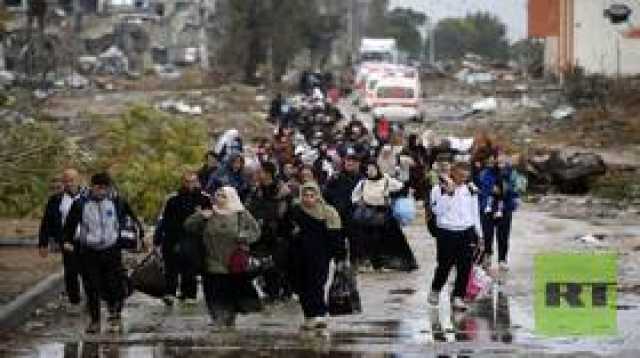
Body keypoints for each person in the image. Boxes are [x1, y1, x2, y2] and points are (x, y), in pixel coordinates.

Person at [184, 186, 261, 329]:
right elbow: (188, 226)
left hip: (234, 260)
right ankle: (217, 317)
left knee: (230, 290)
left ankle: (229, 317)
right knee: (214, 290)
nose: (218, 198)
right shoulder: (209, 213)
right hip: (212, 258)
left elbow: (255, 231)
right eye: (217, 195)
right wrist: (201, 216)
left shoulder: (241, 214)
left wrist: (244, 237)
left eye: (223, 196)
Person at [62, 173, 128, 333]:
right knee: (92, 286)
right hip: (89, 251)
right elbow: (69, 226)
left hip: (111, 250)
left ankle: (114, 312)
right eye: (99, 188)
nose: (102, 192)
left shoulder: (114, 201)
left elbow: (123, 219)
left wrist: (122, 238)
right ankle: (95, 321)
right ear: (93, 186)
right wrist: (68, 242)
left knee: (113, 284)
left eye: (105, 188)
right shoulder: (80, 204)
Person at [283, 182, 346, 330]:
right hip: (298, 256)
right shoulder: (295, 211)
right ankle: (309, 316)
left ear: (318, 196)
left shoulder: (328, 212)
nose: (308, 199)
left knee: (317, 284)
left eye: (312, 196)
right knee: (301, 286)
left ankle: (319, 314)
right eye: (305, 195)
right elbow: (285, 230)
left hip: (320, 256)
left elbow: (336, 236)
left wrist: (339, 255)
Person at [428, 162, 483, 311]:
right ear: (453, 173)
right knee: (444, 265)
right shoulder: (438, 189)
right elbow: (437, 211)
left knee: (465, 266)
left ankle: (458, 297)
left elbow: (475, 212)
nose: (463, 179)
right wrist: (449, 194)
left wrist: (480, 234)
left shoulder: (471, 189)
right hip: (446, 232)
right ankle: (436, 289)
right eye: (460, 175)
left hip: (466, 232)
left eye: (466, 176)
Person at [156, 171, 212, 306]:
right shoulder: (173, 199)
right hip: (173, 238)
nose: (190, 184)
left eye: (193, 181)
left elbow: (209, 219)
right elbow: (165, 220)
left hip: (194, 239)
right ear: (182, 182)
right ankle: (170, 293)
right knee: (171, 268)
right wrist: (158, 239)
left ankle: (189, 294)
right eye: (187, 181)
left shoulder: (204, 199)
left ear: (197, 182)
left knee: (190, 269)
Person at [351, 162, 418, 272]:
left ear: (378, 169)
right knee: (368, 241)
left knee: (390, 240)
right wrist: (360, 203)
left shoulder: (387, 180)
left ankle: (393, 264)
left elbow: (402, 188)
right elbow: (354, 197)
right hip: (367, 216)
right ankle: (371, 264)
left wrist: (394, 197)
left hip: (384, 215)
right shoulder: (363, 183)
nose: (371, 171)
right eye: (368, 169)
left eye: (373, 169)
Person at [38, 169, 86, 310]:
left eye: (71, 180)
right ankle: (74, 301)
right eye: (65, 181)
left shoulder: (88, 197)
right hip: (67, 242)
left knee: (89, 272)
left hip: (87, 241)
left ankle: (92, 300)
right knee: (70, 272)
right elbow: (46, 222)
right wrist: (43, 243)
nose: (68, 183)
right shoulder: (56, 200)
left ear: (78, 180)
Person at [245, 162, 292, 301]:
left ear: (268, 173)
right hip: (260, 234)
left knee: (279, 265)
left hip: (279, 234)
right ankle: (270, 292)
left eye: (260, 172)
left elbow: (285, 214)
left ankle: (283, 291)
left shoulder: (282, 191)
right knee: (264, 265)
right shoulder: (255, 191)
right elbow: (249, 209)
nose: (257, 175)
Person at [477, 153, 520, 272]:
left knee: (503, 235)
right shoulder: (486, 172)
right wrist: (493, 189)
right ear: (494, 160)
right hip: (488, 208)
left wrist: (506, 190)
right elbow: (484, 187)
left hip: (505, 208)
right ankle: (487, 257)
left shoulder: (512, 173)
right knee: (487, 234)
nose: (501, 162)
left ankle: (502, 260)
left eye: (504, 160)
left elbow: (516, 189)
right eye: (498, 160)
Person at [324, 154, 363, 266]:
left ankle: (355, 264)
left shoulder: (362, 179)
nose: (350, 164)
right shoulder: (336, 178)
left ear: (358, 164)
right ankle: (339, 264)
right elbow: (326, 194)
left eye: (353, 162)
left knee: (356, 242)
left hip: (354, 216)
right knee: (338, 243)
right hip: (338, 215)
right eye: (348, 162)